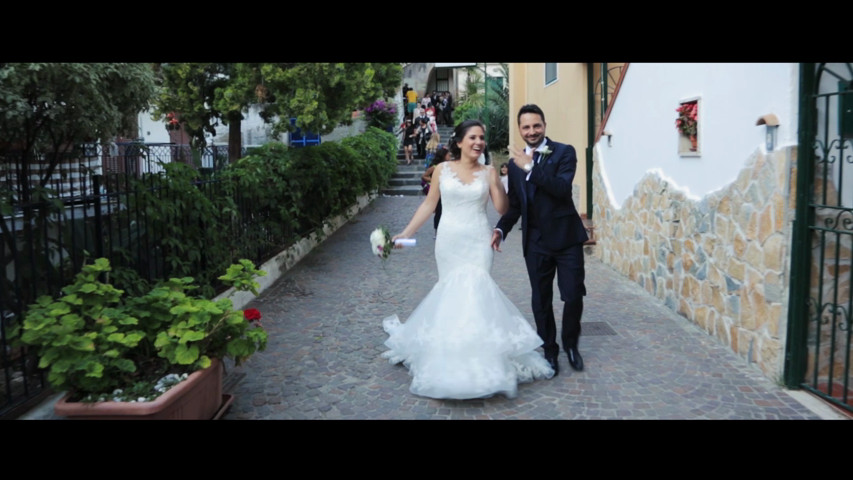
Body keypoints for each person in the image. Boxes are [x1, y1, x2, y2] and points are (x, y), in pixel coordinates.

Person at [381, 120, 555, 400]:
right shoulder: (441, 170)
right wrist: (405, 233)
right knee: (451, 295)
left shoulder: (488, 172)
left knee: (476, 293)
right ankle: (450, 357)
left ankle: (482, 363)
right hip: (449, 242)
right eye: (473, 137)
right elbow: (429, 204)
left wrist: (500, 180)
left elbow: (502, 208)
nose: (478, 142)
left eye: (482, 138)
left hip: (477, 242)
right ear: (459, 142)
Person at [491, 104, 589, 376]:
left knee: (572, 295)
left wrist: (532, 167)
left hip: (567, 238)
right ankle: (550, 349)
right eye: (526, 127)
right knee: (540, 300)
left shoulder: (564, 152)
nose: (531, 131)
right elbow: (515, 205)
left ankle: (571, 344)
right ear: (520, 129)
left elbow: (561, 189)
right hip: (535, 242)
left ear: (544, 125)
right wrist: (501, 229)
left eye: (536, 126)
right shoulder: (514, 163)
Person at [420, 146, 449, 236]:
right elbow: (424, 176)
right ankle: (437, 230)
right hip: (438, 193)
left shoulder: (448, 166)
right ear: (443, 156)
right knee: (439, 211)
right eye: (448, 155)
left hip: (446, 192)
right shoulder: (434, 167)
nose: (450, 156)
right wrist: (433, 180)